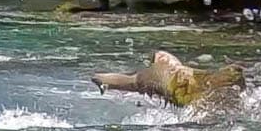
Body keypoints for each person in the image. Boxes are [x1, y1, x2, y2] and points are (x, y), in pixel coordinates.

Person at [91, 51, 245, 108]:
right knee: (134, 81)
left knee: (134, 81)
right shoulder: (164, 69)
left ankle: (100, 79)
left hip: (180, 84)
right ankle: (99, 78)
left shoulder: (172, 72)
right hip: (176, 81)